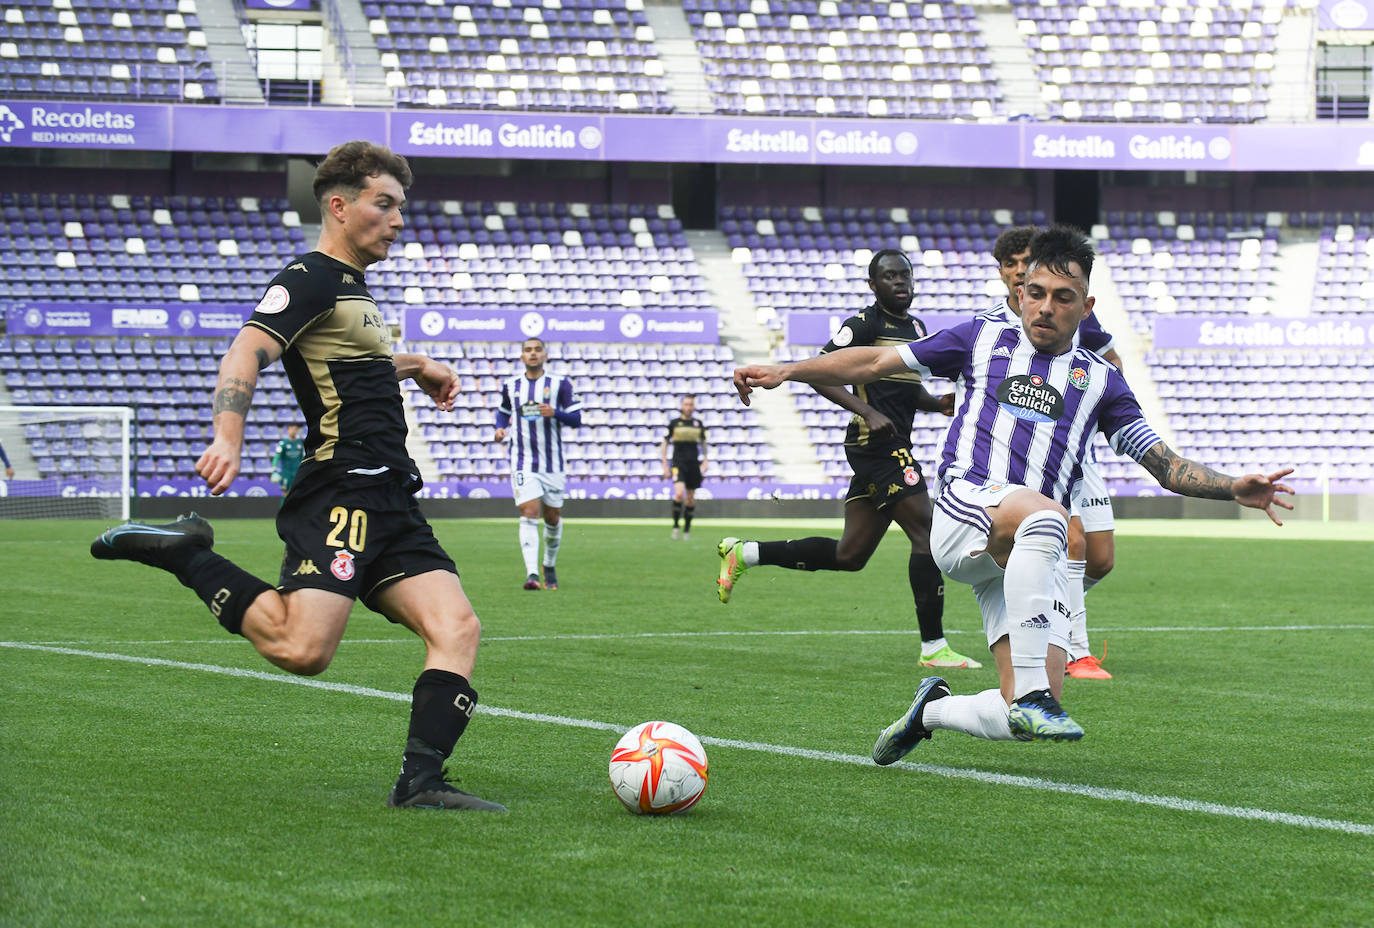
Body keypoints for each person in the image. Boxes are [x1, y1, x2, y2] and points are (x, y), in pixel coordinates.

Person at [732, 225, 1292, 754]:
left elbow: (1164, 464)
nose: (1046, 306)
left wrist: (1232, 487)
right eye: (1036, 292)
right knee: (1049, 520)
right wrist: (789, 369)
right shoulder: (980, 337)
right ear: (1021, 293)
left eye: (1064, 296)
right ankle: (1034, 696)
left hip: (1018, 552)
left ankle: (931, 713)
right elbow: (876, 360)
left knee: (1015, 719)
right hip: (966, 512)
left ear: (1087, 307)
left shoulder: (1101, 381)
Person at [91, 140, 505, 812]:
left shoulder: (352, 288)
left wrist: (416, 363)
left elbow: (352, 366)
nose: (399, 220)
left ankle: (421, 781)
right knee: (302, 648)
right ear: (340, 206)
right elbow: (249, 347)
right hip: (342, 487)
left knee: (456, 627)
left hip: (391, 493)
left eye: (402, 206)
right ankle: (186, 556)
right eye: (385, 204)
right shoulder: (309, 275)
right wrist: (228, 434)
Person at [717, 249, 982, 671]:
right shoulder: (863, 324)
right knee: (927, 533)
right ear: (873, 285)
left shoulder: (915, 327)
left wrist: (936, 404)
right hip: (875, 446)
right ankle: (934, 647)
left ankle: (746, 554)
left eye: (905, 276)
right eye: (890, 277)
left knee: (850, 555)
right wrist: (867, 412)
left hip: (891, 444)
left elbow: (903, 386)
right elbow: (823, 370)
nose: (900, 283)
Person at [992, 227, 1119, 680]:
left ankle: (1038, 602)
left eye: (1023, 262)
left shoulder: (1069, 316)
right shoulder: (993, 326)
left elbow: (1112, 363)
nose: (1017, 272)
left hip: (1076, 446)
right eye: (1010, 265)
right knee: (1070, 538)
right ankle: (1072, 648)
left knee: (1100, 558)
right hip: (1023, 456)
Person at [494, 336, 581, 590]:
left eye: (537, 350)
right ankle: (532, 574)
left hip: (552, 464)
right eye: (528, 350)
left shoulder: (560, 384)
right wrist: (500, 428)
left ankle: (548, 564)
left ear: (545, 355)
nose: (532, 354)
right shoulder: (511, 385)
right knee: (529, 512)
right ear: (522, 357)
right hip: (522, 462)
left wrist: (556, 412)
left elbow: (577, 418)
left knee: (552, 517)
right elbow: (503, 411)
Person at [661, 395, 707, 540]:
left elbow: (703, 443)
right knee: (679, 494)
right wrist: (664, 465)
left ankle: (686, 530)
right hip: (678, 464)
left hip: (693, 465)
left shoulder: (698, 424)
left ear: (693, 407)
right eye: (686, 404)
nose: (688, 407)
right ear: (682, 406)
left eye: (690, 404)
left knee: (690, 499)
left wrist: (706, 460)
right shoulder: (674, 423)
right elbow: (665, 443)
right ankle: (675, 526)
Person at [270, 423, 305, 492]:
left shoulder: (300, 444)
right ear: (288, 430)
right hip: (286, 474)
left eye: (295, 429)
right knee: (286, 494)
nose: (293, 431)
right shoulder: (283, 444)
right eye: (291, 429)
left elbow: (303, 458)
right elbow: (276, 457)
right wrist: (274, 470)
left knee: (297, 494)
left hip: (297, 473)